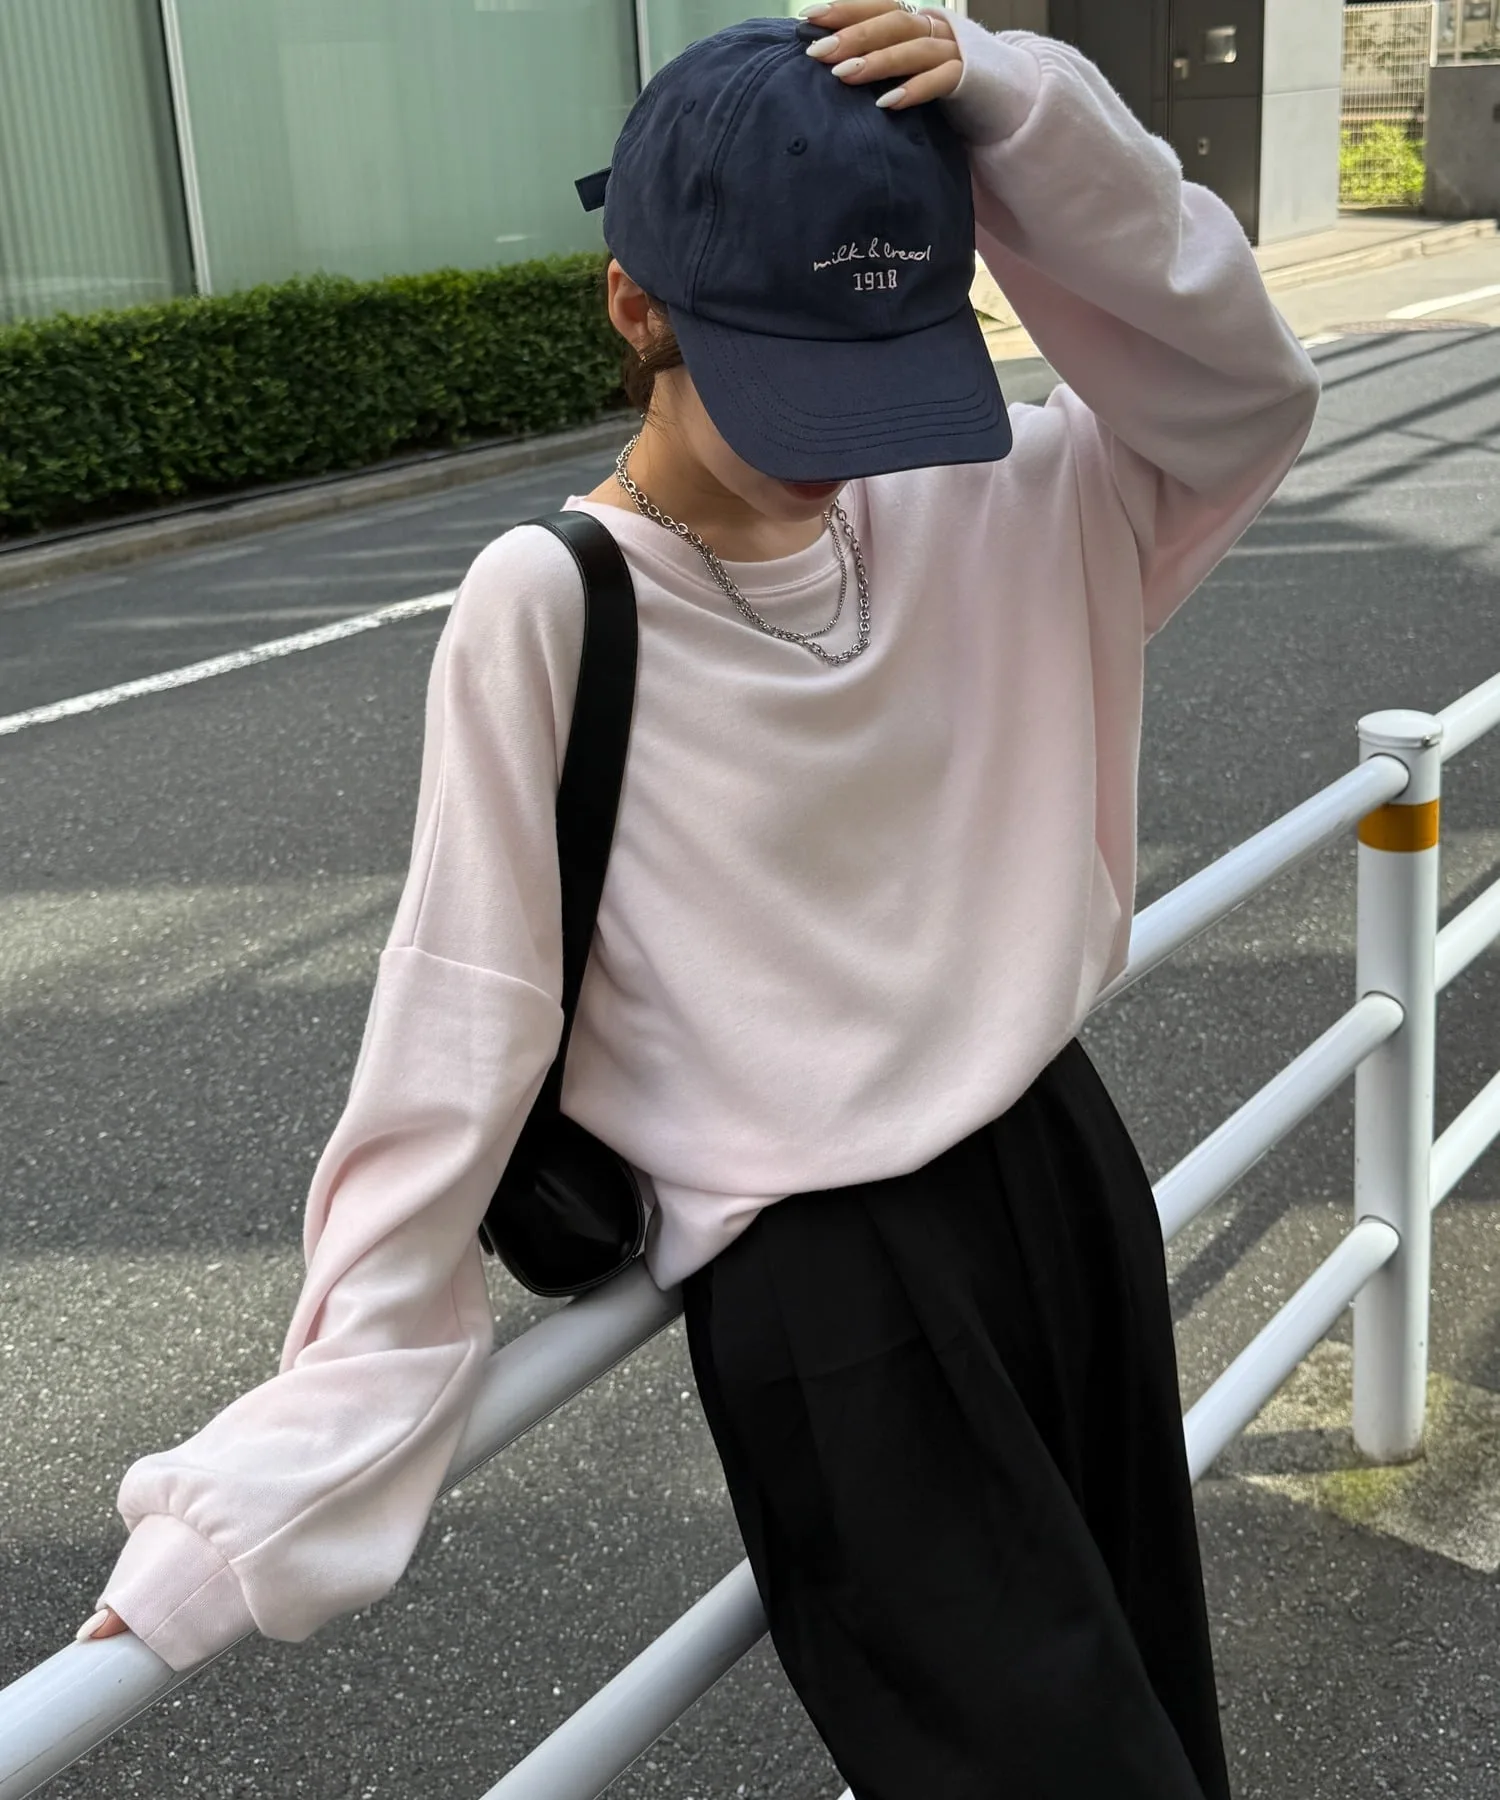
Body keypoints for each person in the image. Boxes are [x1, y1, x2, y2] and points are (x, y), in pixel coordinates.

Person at [76, 4, 1320, 1794]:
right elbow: (461, 1021)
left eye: (891, 355)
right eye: (792, 367)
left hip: (1063, 1180)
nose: (848, 436)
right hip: (837, 1294)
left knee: (1155, 1714)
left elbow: (1246, 384)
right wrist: (259, 1494)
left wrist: (1020, 106)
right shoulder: (552, 602)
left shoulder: (1008, 493)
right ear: (634, 306)